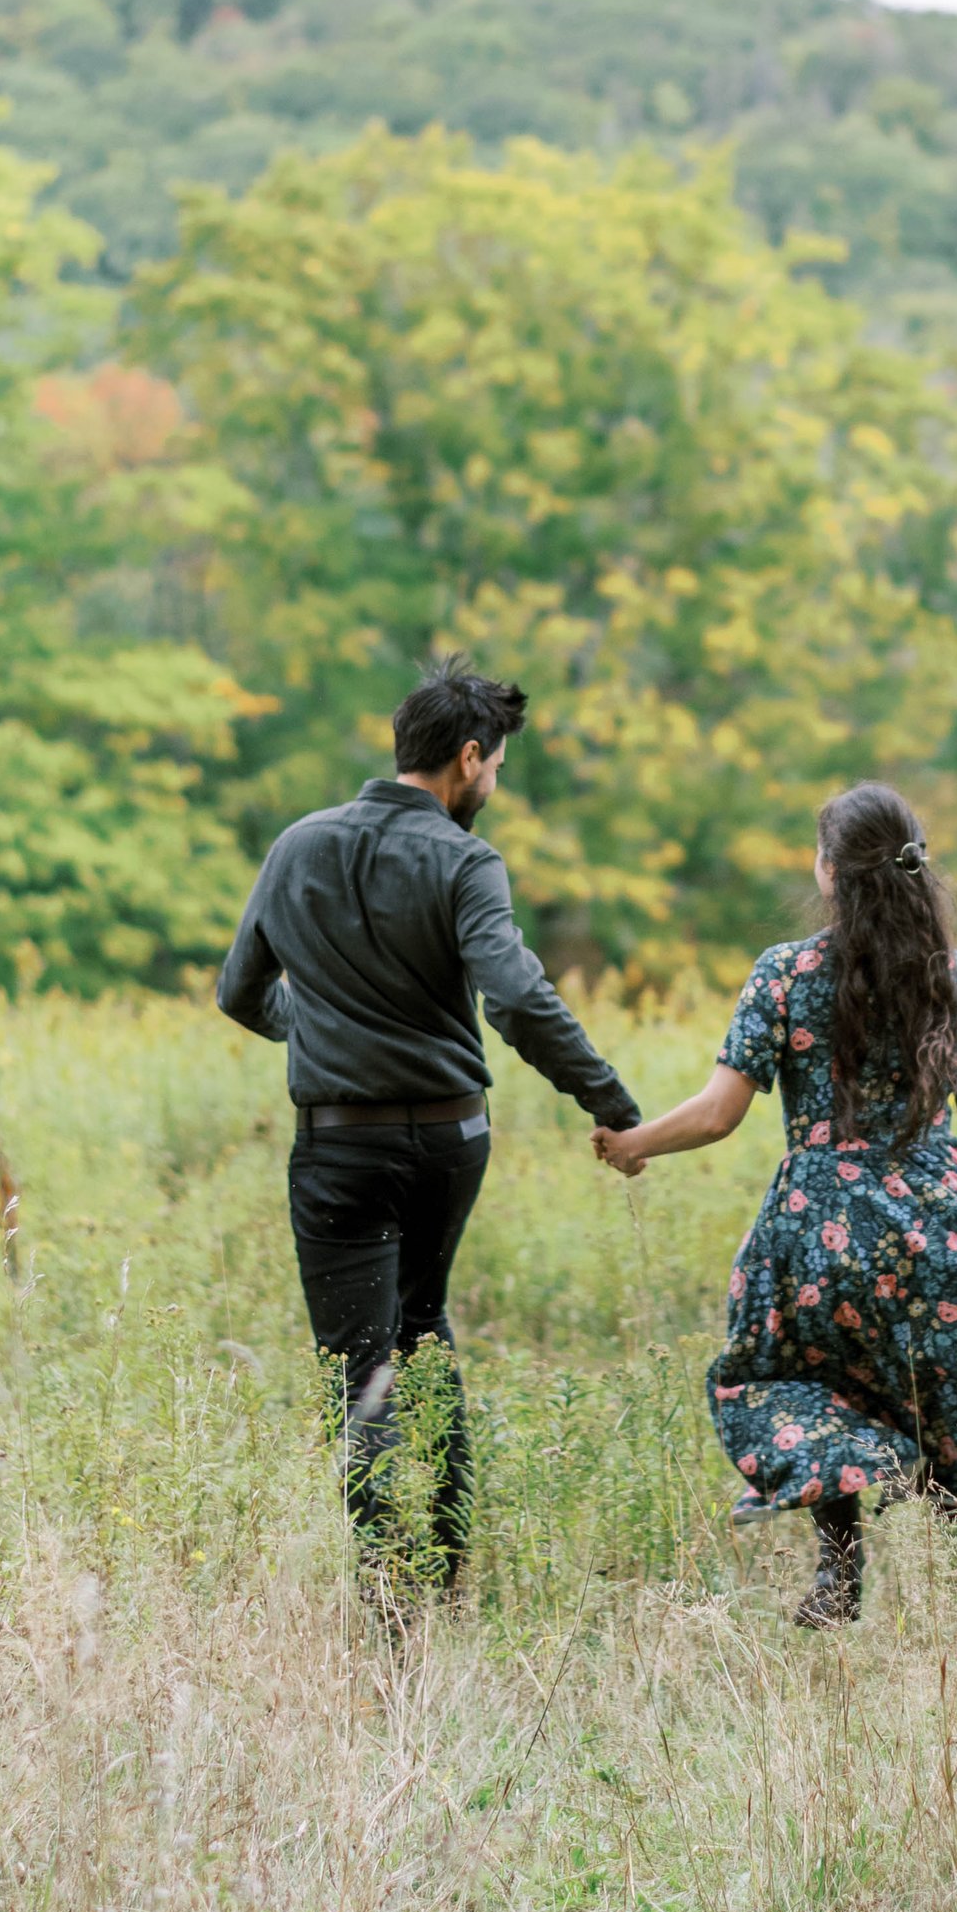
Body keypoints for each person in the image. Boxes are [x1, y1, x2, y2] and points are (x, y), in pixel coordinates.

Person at [592, 779, 957, 1625]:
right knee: (956, 1378)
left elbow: (720, 1113)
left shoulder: (785, 974)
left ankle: (840, 1564)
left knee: (812, 1370)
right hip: (937, 1218)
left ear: (831, 873)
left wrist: (634, 1142)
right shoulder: (952, 980)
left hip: (820, 1230)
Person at [219, 662, 641, 1595]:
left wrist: (320, 1031)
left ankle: (388, 1583)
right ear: (467, 757)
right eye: (496, 767)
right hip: (451, 1141)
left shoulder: (296, 845)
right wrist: (609, 1100)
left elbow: (238, 992)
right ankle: (448, 1560)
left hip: (338, 1141)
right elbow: (518, 995)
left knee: (356, 1364)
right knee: (423, 1327)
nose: (495, 785)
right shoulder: (464, 859)